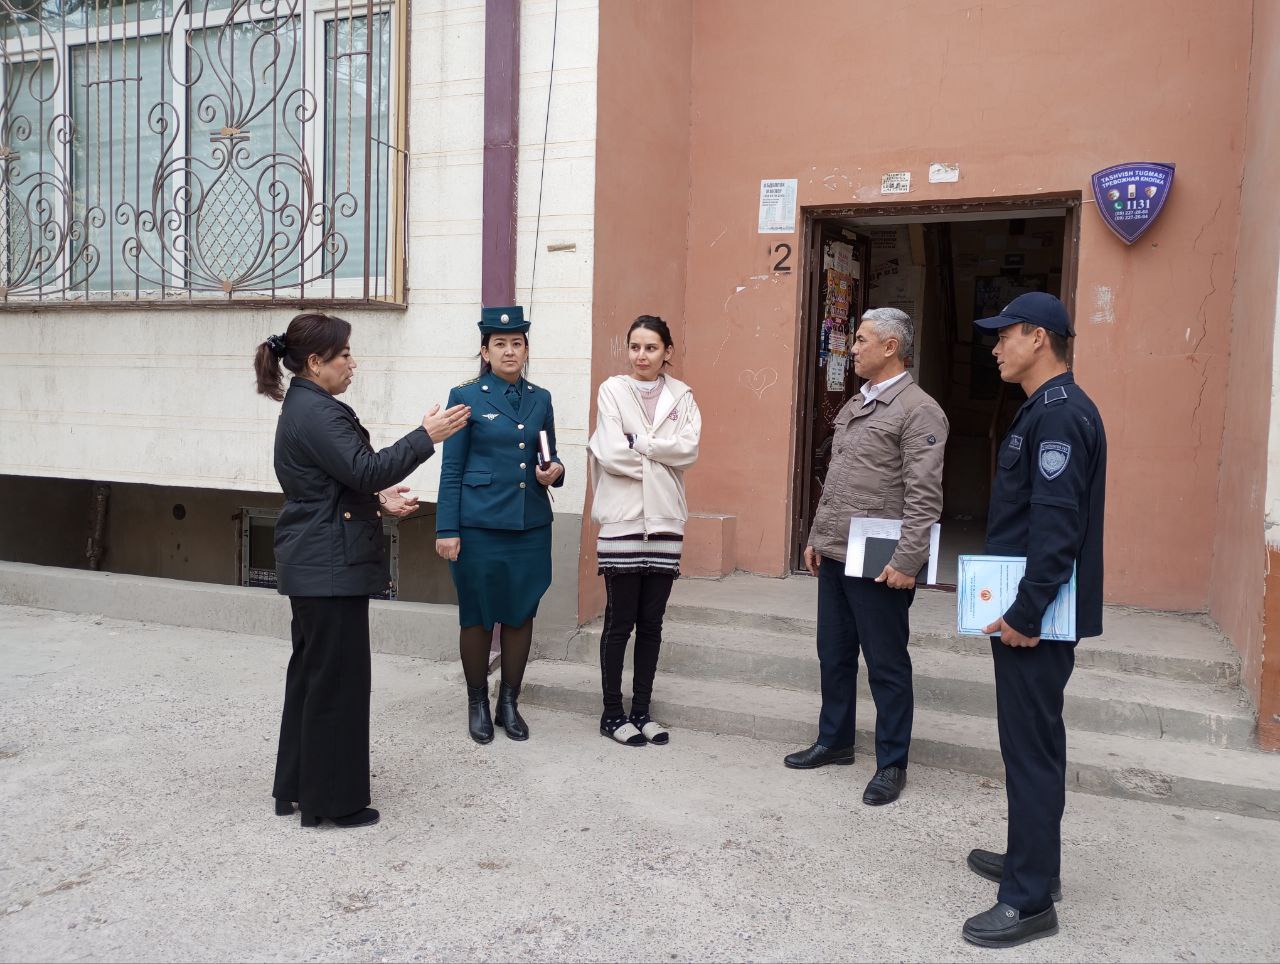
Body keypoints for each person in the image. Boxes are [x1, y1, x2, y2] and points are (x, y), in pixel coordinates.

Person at [254, 313, 469, 829]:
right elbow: (365, 467)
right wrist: (426, 436)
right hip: (327, 566)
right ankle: (333, 803)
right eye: (344, 354)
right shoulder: (316, 411)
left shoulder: (308, 407)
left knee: (313, 677)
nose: (353, 363)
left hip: (319, 560)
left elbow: (339, 480)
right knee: (337, 683)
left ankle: (298, 788)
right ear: (315, 362)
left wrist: (377, 498)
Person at [960, 291, 1107, 949]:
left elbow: (1056, 530)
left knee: (1032, 750)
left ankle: (1029, 901)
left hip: (1036, 618)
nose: (995, 347)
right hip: (1031, 613)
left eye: (1005, 335)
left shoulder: (1059, 417)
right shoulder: (1045, 411)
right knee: (1031, 745)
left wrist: (1024, 613)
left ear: (1039, 337)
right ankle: (1033, 865)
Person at [783, 307, 948, 806]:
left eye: (861, 339)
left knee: (886, 664)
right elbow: (836, 481)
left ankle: (891, 762)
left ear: (891, 347)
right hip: (836, 550)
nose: (852, 347)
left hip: (881, 557)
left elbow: (925, 495)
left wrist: (907, 560)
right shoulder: (858, 402)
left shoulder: (920, 410)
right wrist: (815, 536)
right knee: (833, 654)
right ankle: (834, 741)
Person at [435, 306, 564, 743]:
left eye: (517, 343)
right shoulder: (465, 396)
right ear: (485, 351)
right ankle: (477, 702)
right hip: (478, 527)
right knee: (477, 616)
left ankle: (509, 701)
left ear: (526, 349)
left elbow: (550, 455)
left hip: (529, 525)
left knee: (520, 612)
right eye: (500, 344)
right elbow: (451, 468)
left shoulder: (541, 397)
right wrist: (445, 529)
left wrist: (555, 471)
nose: (510, 351)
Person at [587, 315, 701, 746]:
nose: (641, 356)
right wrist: (660, 459)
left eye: (651, 348)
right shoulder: (613, 390)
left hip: (666, 521)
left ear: (667, 352)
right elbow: (613, 453)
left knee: (651, 622)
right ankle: (612, 714)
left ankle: (642, 711)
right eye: (635, 346)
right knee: (620, 622)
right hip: (623, 521)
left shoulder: (683, 396)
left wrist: (645, 444)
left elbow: (688, 450)